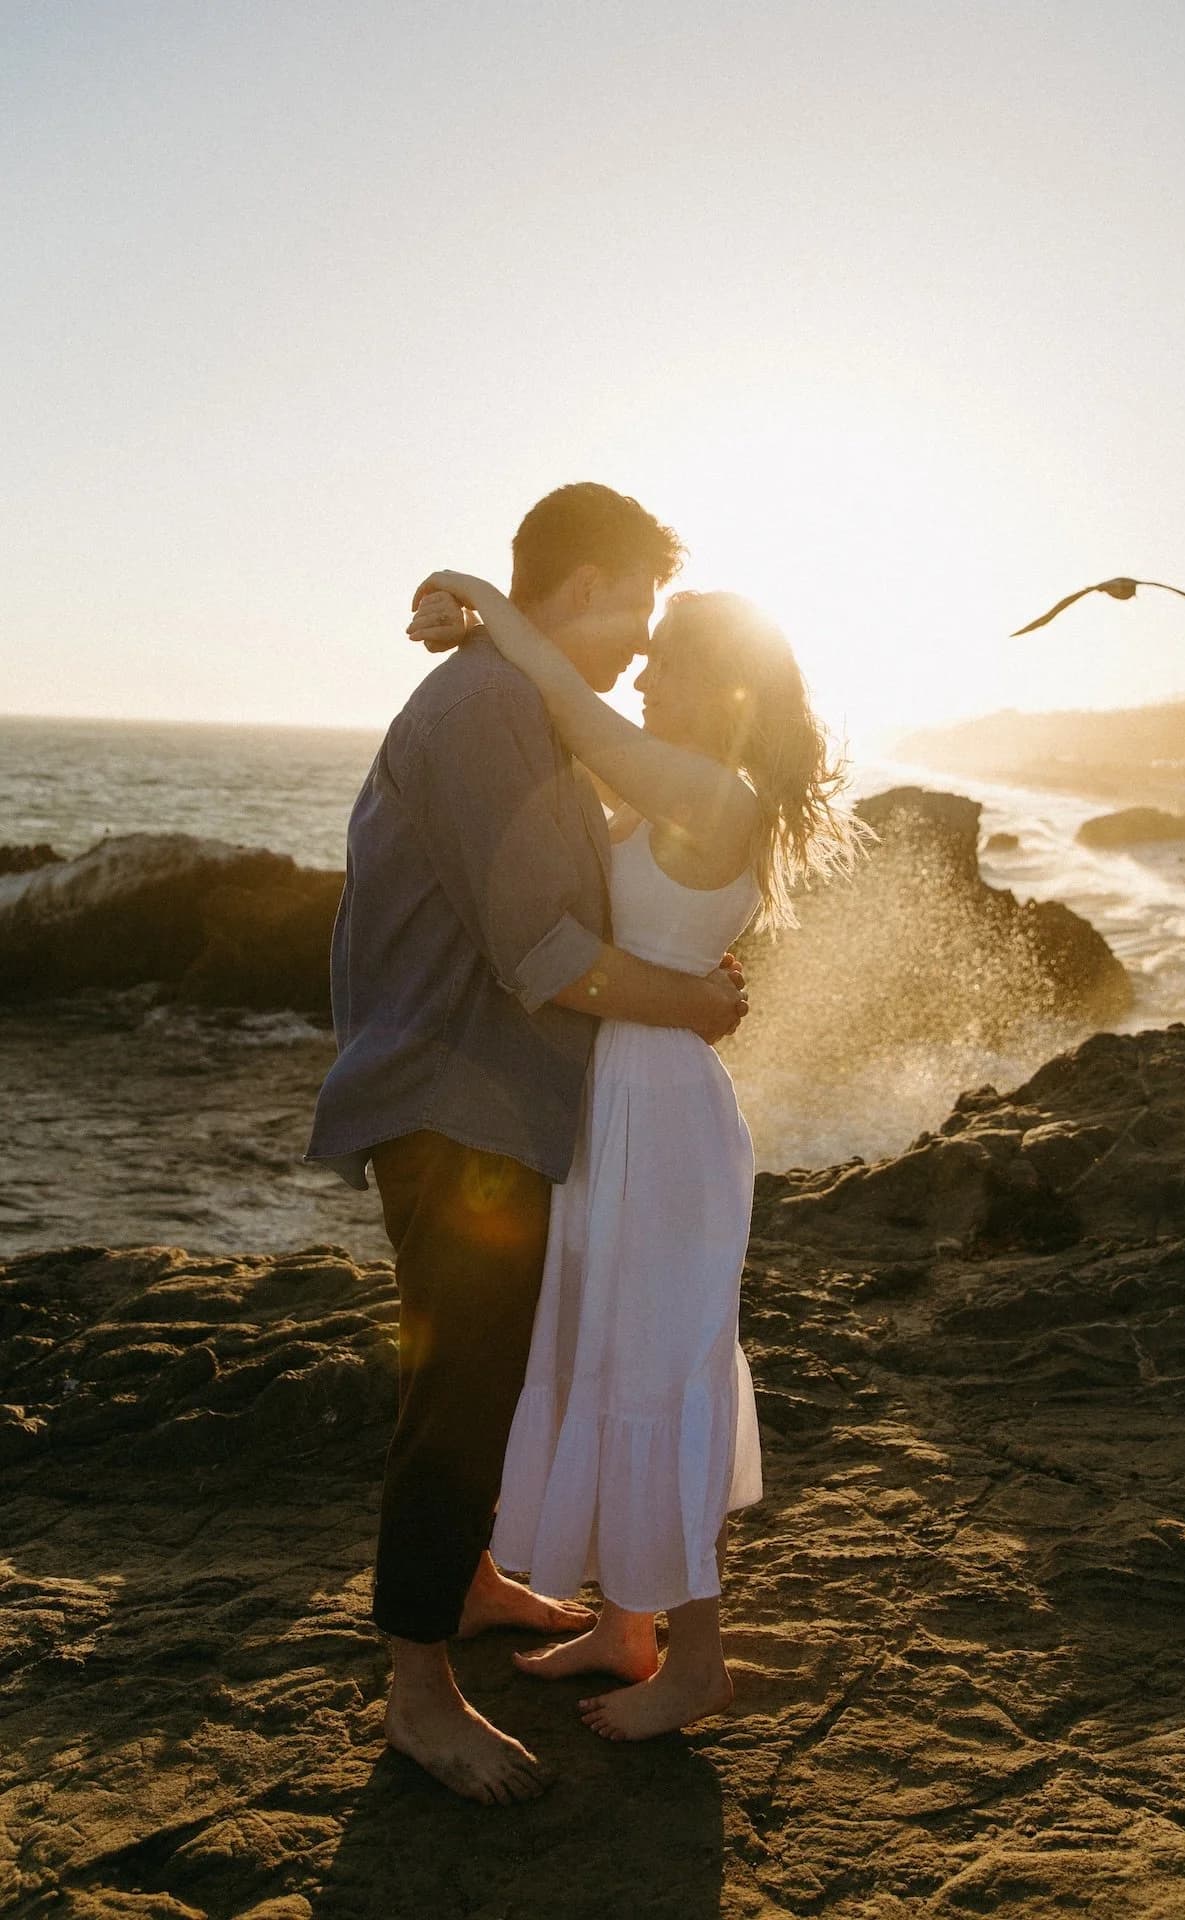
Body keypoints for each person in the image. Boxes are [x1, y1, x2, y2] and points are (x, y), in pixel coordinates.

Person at [306, 484, 750, 1806]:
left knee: (494, 1372)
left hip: (492, 1103)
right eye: (637, 608)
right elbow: (545, 952)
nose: (643, 641)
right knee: (457, 1391)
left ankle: (471, 1581)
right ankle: (417, 1692)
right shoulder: (487, 710)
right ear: (585, 585)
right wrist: (697, 1004)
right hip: (454, 1104)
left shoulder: (520, 699)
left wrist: (480, 602)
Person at [407, 568, 854, 1741]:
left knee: (660, 1368)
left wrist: (488, 605)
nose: (644, 677)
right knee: (612, 1356)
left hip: (657, 1113)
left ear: (721, 684)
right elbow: (549, 774)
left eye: (667, 663)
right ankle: (626, 1627)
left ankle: (697, 1665)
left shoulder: (710, 789)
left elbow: (568, 711)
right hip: (615, 1096)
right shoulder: (677, 789)